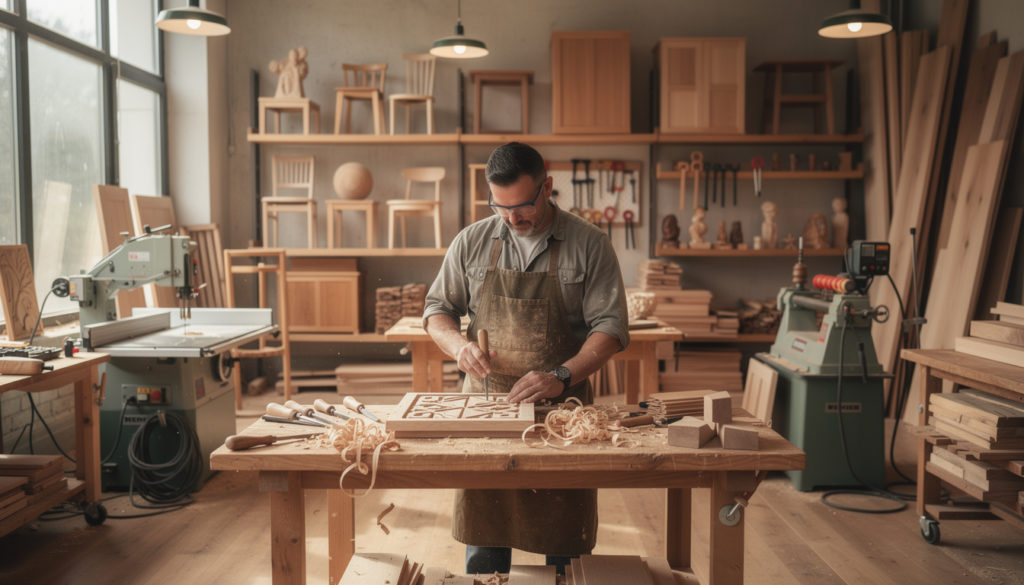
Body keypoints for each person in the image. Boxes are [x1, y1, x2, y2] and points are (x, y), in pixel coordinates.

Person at [422, 142, 629, 575]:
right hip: (488, 410)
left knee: (566, 551)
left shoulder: (589, 244)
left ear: (547, 188)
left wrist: (562, 374)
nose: (511, 219)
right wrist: (459, 347)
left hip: (563, 417)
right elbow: (437, 310)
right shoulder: (471, 242)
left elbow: (610, 330)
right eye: (500, 207)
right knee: (485, 545)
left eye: (522, 207)